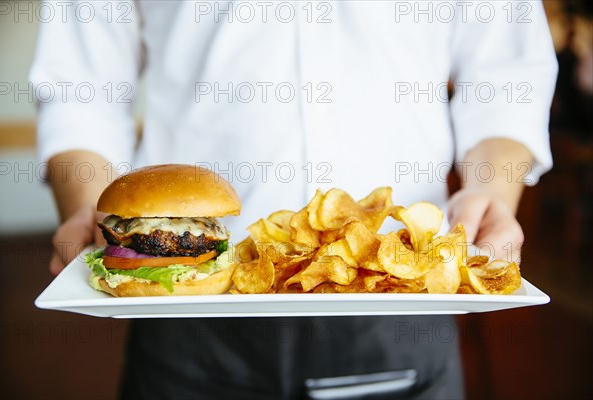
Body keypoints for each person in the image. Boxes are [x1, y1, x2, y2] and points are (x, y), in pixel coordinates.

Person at [31, 1, 557, 398]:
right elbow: (82, 86)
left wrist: (490, 191)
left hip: (401, 298)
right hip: (183, 327)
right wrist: (88, 204)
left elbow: (506, 77)